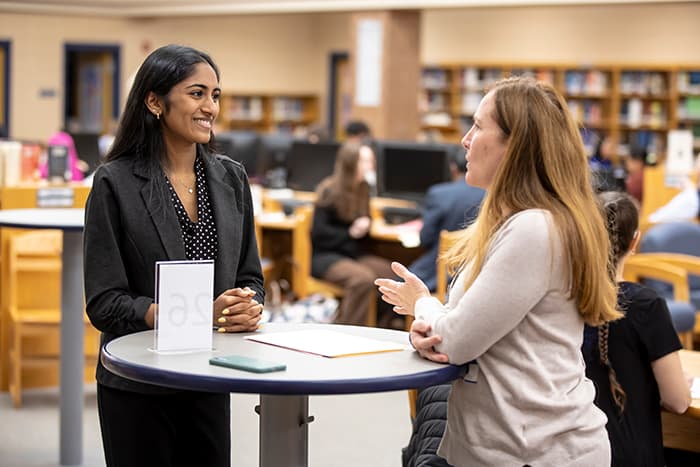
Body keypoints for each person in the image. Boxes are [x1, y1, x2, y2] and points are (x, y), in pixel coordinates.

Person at [375, 76, 620, 466]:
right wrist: (434, 331)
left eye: (478, 126)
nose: (465, 140)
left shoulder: (534, 229)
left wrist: (423, 306)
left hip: (538, 451)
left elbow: (458, 341)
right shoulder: (517, 223)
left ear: (515, 145)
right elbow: (463, 331)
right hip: (515, 443)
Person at [83, 44, 264, 467]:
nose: (210, 107)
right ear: (154, 101)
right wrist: (193, 313)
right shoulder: (115, 183)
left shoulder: (231, 179)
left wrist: (246, 306)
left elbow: (250, 277)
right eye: (197, 93)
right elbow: (104, 303)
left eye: (215, 95)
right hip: (139, 382)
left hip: (210, 375)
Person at [582, 190, 691, 466]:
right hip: (635, 456)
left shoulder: (567, 300)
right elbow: (678, 402)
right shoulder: (646, 306)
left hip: (580, 454)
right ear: (635, 242)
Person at [311, 141, 393, 326]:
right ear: (350, 164)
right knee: (362, 280)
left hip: (352, 253)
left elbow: (361, 229)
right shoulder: (329, 190)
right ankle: (349, 330)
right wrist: (350, 232)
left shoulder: (363, 188)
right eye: (365, 161)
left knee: (391, 275)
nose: (371, 166)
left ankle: (379, 325)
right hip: (327, 256)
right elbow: (320, 235)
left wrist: (366, 226)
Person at [408, 148, 485, 293]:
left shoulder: (439, 193)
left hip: (436, 273)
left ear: (453, 167)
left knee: (391, 284)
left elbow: (425, 238)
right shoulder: (490, 195)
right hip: (473, 277)